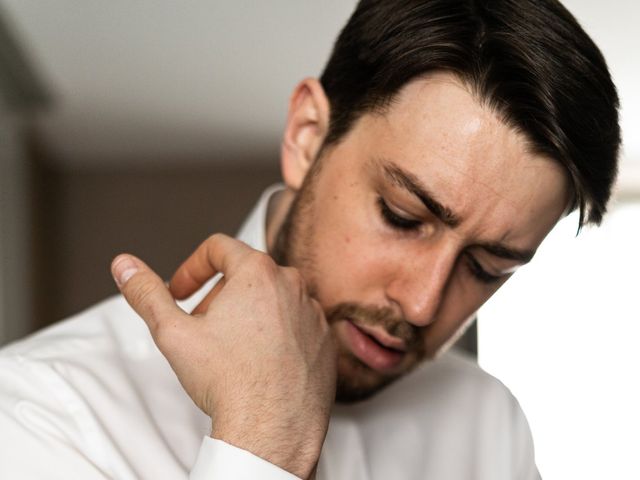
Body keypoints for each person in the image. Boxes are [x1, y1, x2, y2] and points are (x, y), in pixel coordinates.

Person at [0, 0, 620, 478]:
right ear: (305, 136)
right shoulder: (40, 407)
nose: (423, 304)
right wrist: (261, 446)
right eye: (403, 217)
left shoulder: (489, 426)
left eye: (486, 267)